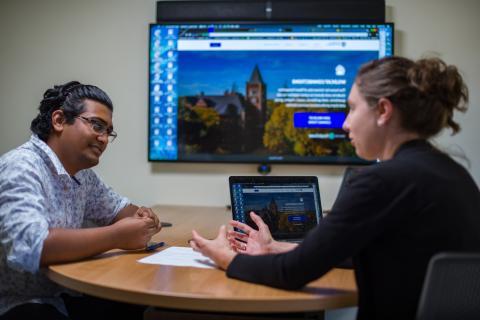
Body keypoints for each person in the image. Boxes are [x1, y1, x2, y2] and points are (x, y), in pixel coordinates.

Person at [190, 57, 480, 320]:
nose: (344, 124)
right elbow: (375, 253)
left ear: (383, 110)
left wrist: (226, 257)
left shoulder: (380, 181)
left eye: (352, 109)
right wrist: (276, 247)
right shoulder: (453, 174)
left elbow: (290, 273)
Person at [0, 81, 162, 320]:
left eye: (108, 131)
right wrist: (117, 235)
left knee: (139, 303)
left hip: (65, 292)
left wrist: (144, 216)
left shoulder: (82, 174)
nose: (104, 138)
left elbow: (119, 209)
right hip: (21, 303)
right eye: (97, 125)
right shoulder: (20, 167)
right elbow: (34, 246)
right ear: (59, 120)